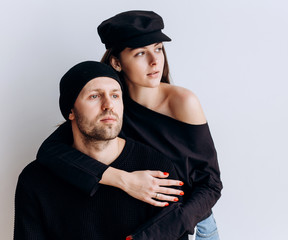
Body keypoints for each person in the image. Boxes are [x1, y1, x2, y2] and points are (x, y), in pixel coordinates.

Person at [37, 11, 222, 239]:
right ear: (116, 62)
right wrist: (123, 180)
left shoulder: (183, 102)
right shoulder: (109, 107)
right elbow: (50, 153)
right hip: (134, 220)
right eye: (141, 53)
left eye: (158, 48)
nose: (155, 61)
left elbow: (211, 183)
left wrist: (156, 234)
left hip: (191, 223)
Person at [14, 61, 186, 240]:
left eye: (115, 95)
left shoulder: (156, 170)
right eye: (94, 96)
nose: (108, 105)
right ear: (70, 111)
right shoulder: (36, 179)